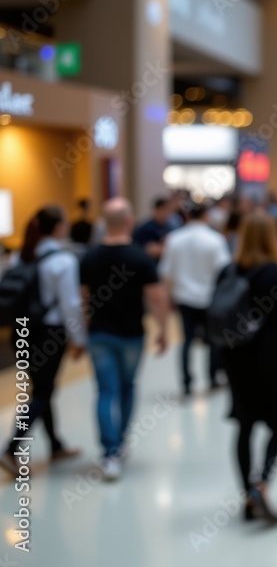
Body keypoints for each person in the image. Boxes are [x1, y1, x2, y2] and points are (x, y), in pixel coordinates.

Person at [222, 211, 277, 524]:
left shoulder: (228, 271)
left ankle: (247, 492)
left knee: (244, 425)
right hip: (271, 358)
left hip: (235, 357)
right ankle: (262, 483)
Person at [79, 198, 170, 480]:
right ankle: (120, 441)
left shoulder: (89, 257)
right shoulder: (140, 257)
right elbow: (156, 298)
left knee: (106, 390)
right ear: (129, 221)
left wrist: (81, 334)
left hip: (99, 333)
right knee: (127, 386)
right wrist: (164, 330)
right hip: (132, 334)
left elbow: (82, 300)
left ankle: (110, 453)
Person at [0, 207, 87, 475]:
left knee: (41, 386)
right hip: (49, 333)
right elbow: (70, 304)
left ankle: (56, 446)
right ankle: (12, 449)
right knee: (43, 391)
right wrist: (79, 338)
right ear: (59, 226)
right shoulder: (64, 260)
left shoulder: (21, 256)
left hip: (22, 330)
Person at [159, 203, 231, 396]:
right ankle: (213, 377)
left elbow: (166, 273)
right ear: (207, 215)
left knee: (187, 340)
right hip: (210, 298)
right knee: (214, 340)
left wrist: (169, 296)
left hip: (184, 298)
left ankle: (186, 382)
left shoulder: (174, 239)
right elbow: (223, 271)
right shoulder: (215, 240)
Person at [132, 197, 175, 262]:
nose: (165, 213)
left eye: (167, 210)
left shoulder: (170, 227)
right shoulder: (146, 228)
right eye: (162, 210)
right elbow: (150, 250)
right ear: (156, 210)